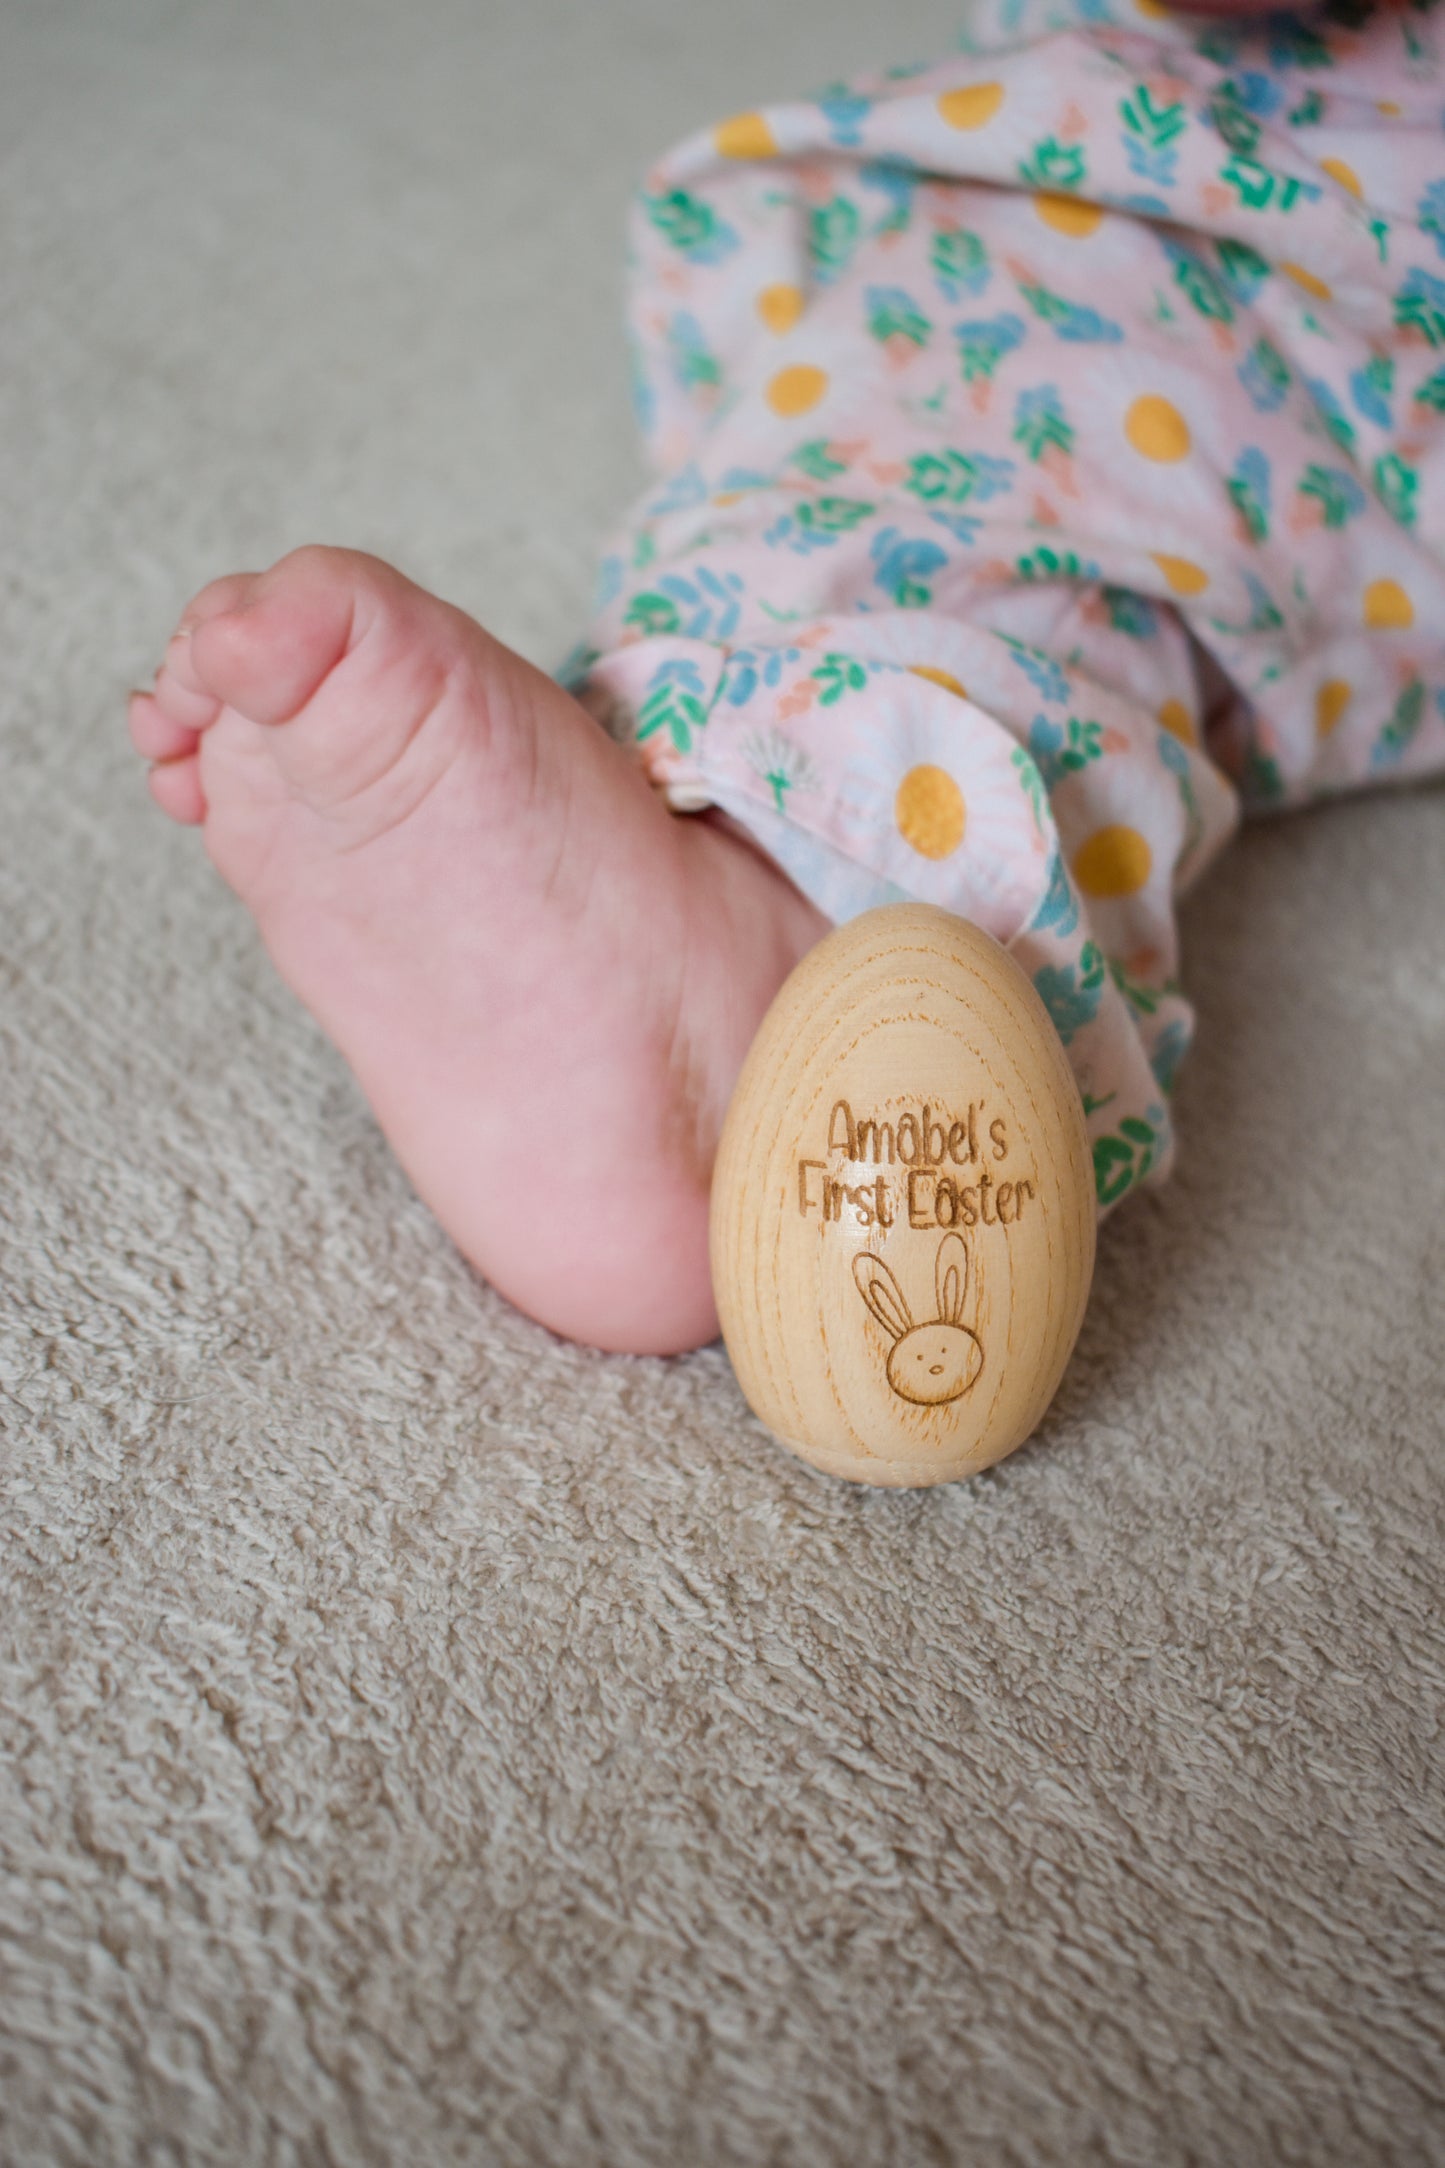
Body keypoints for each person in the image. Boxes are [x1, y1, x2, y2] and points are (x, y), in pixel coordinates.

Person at [128, 0, 1445, 1357]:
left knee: (974, 456)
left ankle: (793, 922)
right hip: (1258, 225)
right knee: (966, 465)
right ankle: (775, 917)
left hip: (1283, 268)